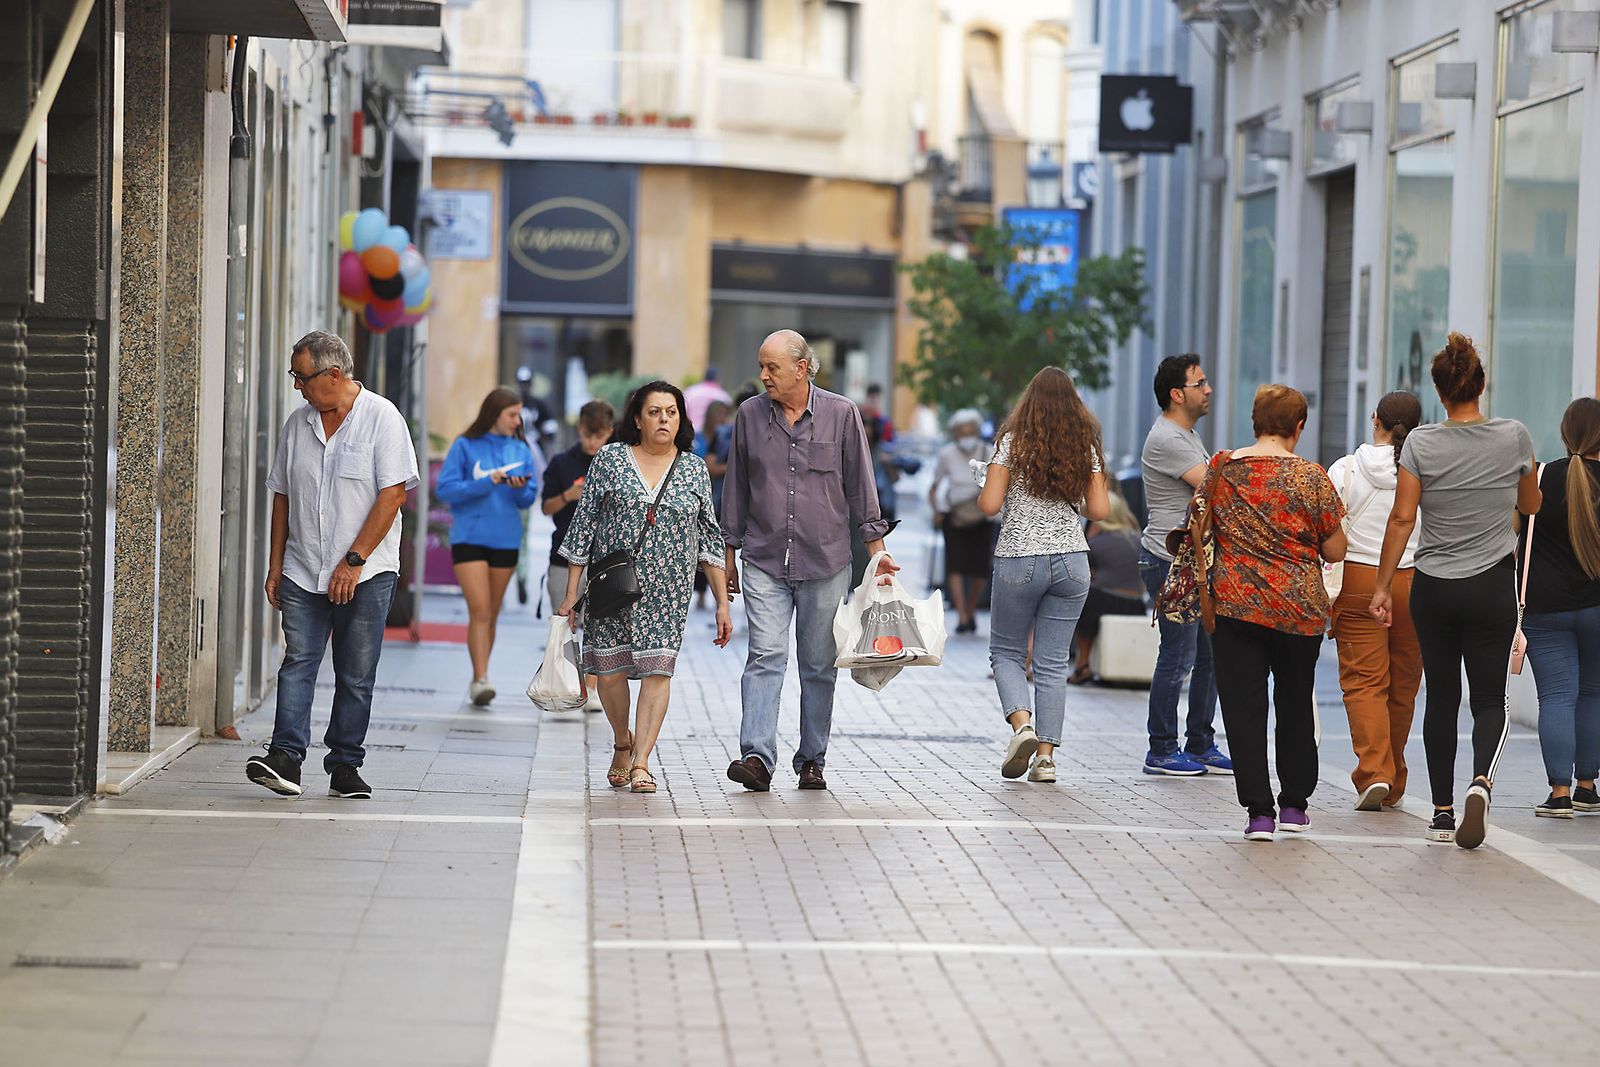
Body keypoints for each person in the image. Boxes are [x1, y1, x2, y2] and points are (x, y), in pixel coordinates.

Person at [1371, 332, 1541, 850]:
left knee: (1440, 697)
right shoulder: (1514, 436)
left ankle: (1442, 811)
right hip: (1491, 582)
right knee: (1489, 698)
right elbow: (1531, 506)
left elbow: (1403, 518)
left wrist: (1381, 586)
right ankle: (1481, 783)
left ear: (1440, 393)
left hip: (1434, 586)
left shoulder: (1420, 442)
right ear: (1480, 385)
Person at [721, 329, 896, 792]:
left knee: (818, 664)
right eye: (761, 366)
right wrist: (727, 554)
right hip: (763, 557)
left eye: (771, 367)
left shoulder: (841, 414)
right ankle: (757, 756)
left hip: (826, 561)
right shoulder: (749, 416)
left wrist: (877, 553)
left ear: (801, 368)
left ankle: (812, 759)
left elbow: (861, 483)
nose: (762, 376)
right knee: (765, 655)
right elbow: (736, 486)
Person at [247, 330, 419, 800]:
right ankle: (286, 756)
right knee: (299, 659)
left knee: (355, 671)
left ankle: (345, 764)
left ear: (334, 375)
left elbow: (394, 495)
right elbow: (282, 495)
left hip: (366, 571)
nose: (297, 387)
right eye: (294, 377)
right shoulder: (296, 424)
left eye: (302, 378)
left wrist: (354, 560)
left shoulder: (382, 418)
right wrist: (275, 563)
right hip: (304, 567)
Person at [555, 382, 732, 793]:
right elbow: (584, 526)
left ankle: (641, 761)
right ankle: (622, 741)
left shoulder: (692, 468)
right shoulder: (611, 459)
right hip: (612, 586)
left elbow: (709, 537)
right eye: (654, 412)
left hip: (668, 592)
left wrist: (722, 603)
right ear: (637, 418)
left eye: (671, 412)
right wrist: (571, 593)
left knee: (657, 671)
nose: (663, 419)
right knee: (611, 673)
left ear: (681, 419)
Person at [1206, 385, 1346, 841]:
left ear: (1255, 421)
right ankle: (1293, 806)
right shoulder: (1312, 476)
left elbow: (1201, 525)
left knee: (1244, 710)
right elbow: (1336, 547)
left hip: (1236, 605)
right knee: (1294, 703)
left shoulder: (1222, 469)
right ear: (1298, 427)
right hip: (1299, 610)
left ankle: (1258, 814)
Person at [982, 368, 1110, 784]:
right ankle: (1046, 759)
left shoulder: (1011, 444)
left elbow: (988, 505)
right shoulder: (1084, 447)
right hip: (1073, 560)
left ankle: (1022, 727)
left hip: (1020, 556)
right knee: (1054, 663)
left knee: (1006, 652)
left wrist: (987, 477)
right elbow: (1101, 511)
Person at [1327, 392, 1423, 811]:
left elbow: (1326, 533)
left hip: (1359, 579)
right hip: (1416, 581)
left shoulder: (1345, 470)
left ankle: (1375, 772)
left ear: (1375, 420)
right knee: (1403, 685)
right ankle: (1395, 774)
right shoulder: (1426, 470)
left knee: (1365, 682)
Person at [1138, 354, 1230, 776]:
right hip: (1168, 560)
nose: (1208, 389)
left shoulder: (1187, 434)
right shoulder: (1168, 439)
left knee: (1210, 655)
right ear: (1178, 394)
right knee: (1178, 656)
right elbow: (1215, 488)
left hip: (1196, 561)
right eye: (1201, 383)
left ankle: (1200, 742)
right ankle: (1161, 748)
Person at [1519, 398, 1600, 819]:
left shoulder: (1543, 476)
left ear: (1566, 433)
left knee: (1556, 696)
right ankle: (1588, 786)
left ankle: (1561, 792)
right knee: (1593, 694)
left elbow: (1515, 527)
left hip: (1546, 607)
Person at [434, 388, 541, 705]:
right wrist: (486, 482)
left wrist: (520, 489)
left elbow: (528, 498)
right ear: (494, 414)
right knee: (479, 610)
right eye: (511, 414)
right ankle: (480, 679)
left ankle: (482, 672)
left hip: (505, 539)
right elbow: (447, 490)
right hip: (469, 537)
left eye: (519, 414)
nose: (517, 420)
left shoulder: (520, 450)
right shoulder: (466, 446)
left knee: (491, 613)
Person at [542, 399, 615, 712]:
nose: (592, 442)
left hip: (605, 557)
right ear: (579, 429)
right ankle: (569, 684)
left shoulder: (618, 463)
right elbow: (546, 507)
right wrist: (568, 496)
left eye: (599, 436)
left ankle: (591, 687)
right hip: (563, 554)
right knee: (566, 621)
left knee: (598, 625)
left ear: (610, 432)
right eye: (587, 434)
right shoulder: (561, 462)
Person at [1070, 492, 1146, 684]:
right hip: (1135, 604)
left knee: (1083, 595)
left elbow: (1084, 572)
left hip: (1103, 602)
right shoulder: (1137, 540)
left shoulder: (1096, 543)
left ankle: (1082, 664)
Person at [930, 408, 995, 635]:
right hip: (954, 515)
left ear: (977, 431)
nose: (967, 436)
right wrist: (936, 510)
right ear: (955, 433)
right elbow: (935, 485)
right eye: (962, 432)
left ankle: (971, 608)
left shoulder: (989, 451)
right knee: (955, 564)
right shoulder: (946, 454)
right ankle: (962, 615)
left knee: (979, 568)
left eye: (971, 431)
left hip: (983, 515)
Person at [692, 400, 732, 611]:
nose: (722, 421)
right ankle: (700, 592)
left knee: (714, 549)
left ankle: (715, 592)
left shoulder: (726, 436)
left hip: (717, 498)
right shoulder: (699, 439)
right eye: (719, 416)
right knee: (702, 549)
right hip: (702, 497)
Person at [683, 366, 733, 432]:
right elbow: (727, 420)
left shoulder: (690, 392)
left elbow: (683, 412)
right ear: (718, 379)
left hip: (691, 432)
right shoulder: (723, 396)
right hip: (713, 436)